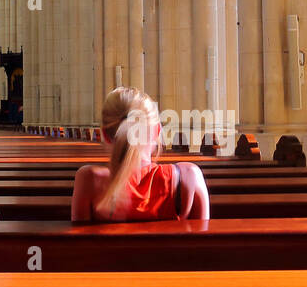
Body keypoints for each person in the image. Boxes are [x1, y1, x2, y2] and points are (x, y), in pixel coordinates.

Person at [70, 87, 210, 223]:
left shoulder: (90, 180)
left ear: (105, 135)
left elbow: (81, 245)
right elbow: (204, 241)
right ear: (157, 131)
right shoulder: (189, 176)